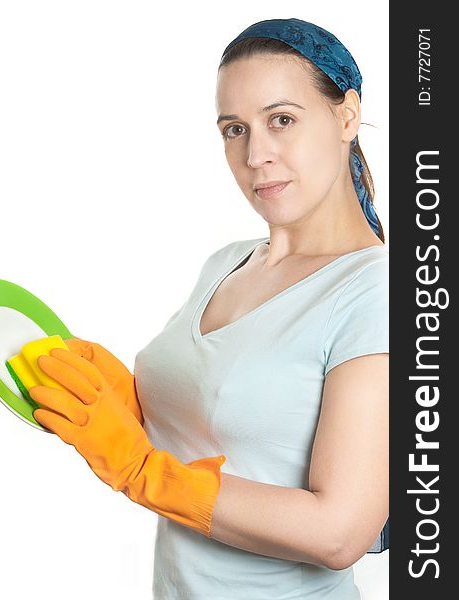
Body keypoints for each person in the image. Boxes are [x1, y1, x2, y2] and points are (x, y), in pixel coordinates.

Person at [30, 17, 388, 600]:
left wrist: (143, 471)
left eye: (282, 120)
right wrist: (131, 404)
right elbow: (225, 438)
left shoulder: (375, 293)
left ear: (346, 115)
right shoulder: (229, 262)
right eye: (233, 129)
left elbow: (340, 532)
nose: (256, 154)